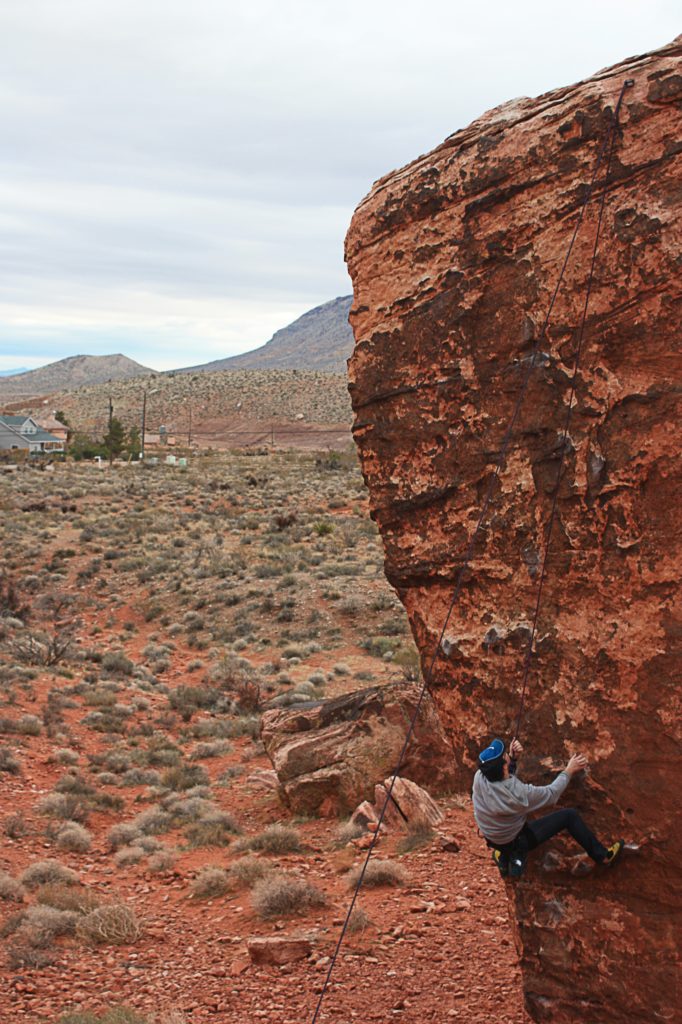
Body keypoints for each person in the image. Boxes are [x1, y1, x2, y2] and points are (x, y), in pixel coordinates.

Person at [472, 737, 624, 878]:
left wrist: (512, 759)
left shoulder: (479, 777)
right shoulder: (520, 795)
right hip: (515, 839)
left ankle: (503, 857)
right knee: (569, 816)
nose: (506, 753)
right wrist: (569, 770)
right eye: (505, 755)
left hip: (491, 837)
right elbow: (551, 794)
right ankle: (602, 856)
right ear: (504, 767)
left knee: (505, 838)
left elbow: (501, 778)